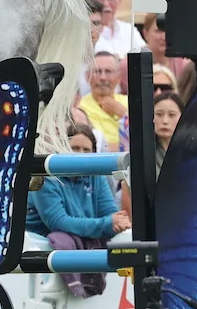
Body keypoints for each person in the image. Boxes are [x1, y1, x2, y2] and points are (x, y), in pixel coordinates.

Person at [26, 123, 127, 296]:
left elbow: (109, 212)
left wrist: (117, 222)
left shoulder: (96, 175)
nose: (80, 155)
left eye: (86, 150)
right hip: (34, 249)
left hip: (66, 248)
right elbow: (59, 222)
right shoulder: (46, 177)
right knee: (60, 237)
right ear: (62, 148)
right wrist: (107, 223)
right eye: (74, 148)